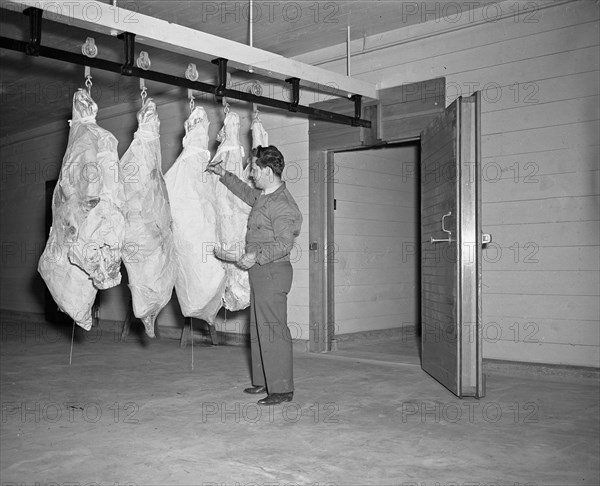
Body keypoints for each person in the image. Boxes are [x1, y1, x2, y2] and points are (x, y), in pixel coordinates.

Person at [206, 145, 303, 406]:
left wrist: (255, 256)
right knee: (259, 329)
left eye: (255, 170)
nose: (252, 175)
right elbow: (247, 193)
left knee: (272, 329)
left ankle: (282, 389)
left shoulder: (283, 205)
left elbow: (284, 244)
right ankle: (264, 381)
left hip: (273, 271)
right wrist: (223, 174)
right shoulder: (265, 195)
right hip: (261, 272)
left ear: (269, 172)